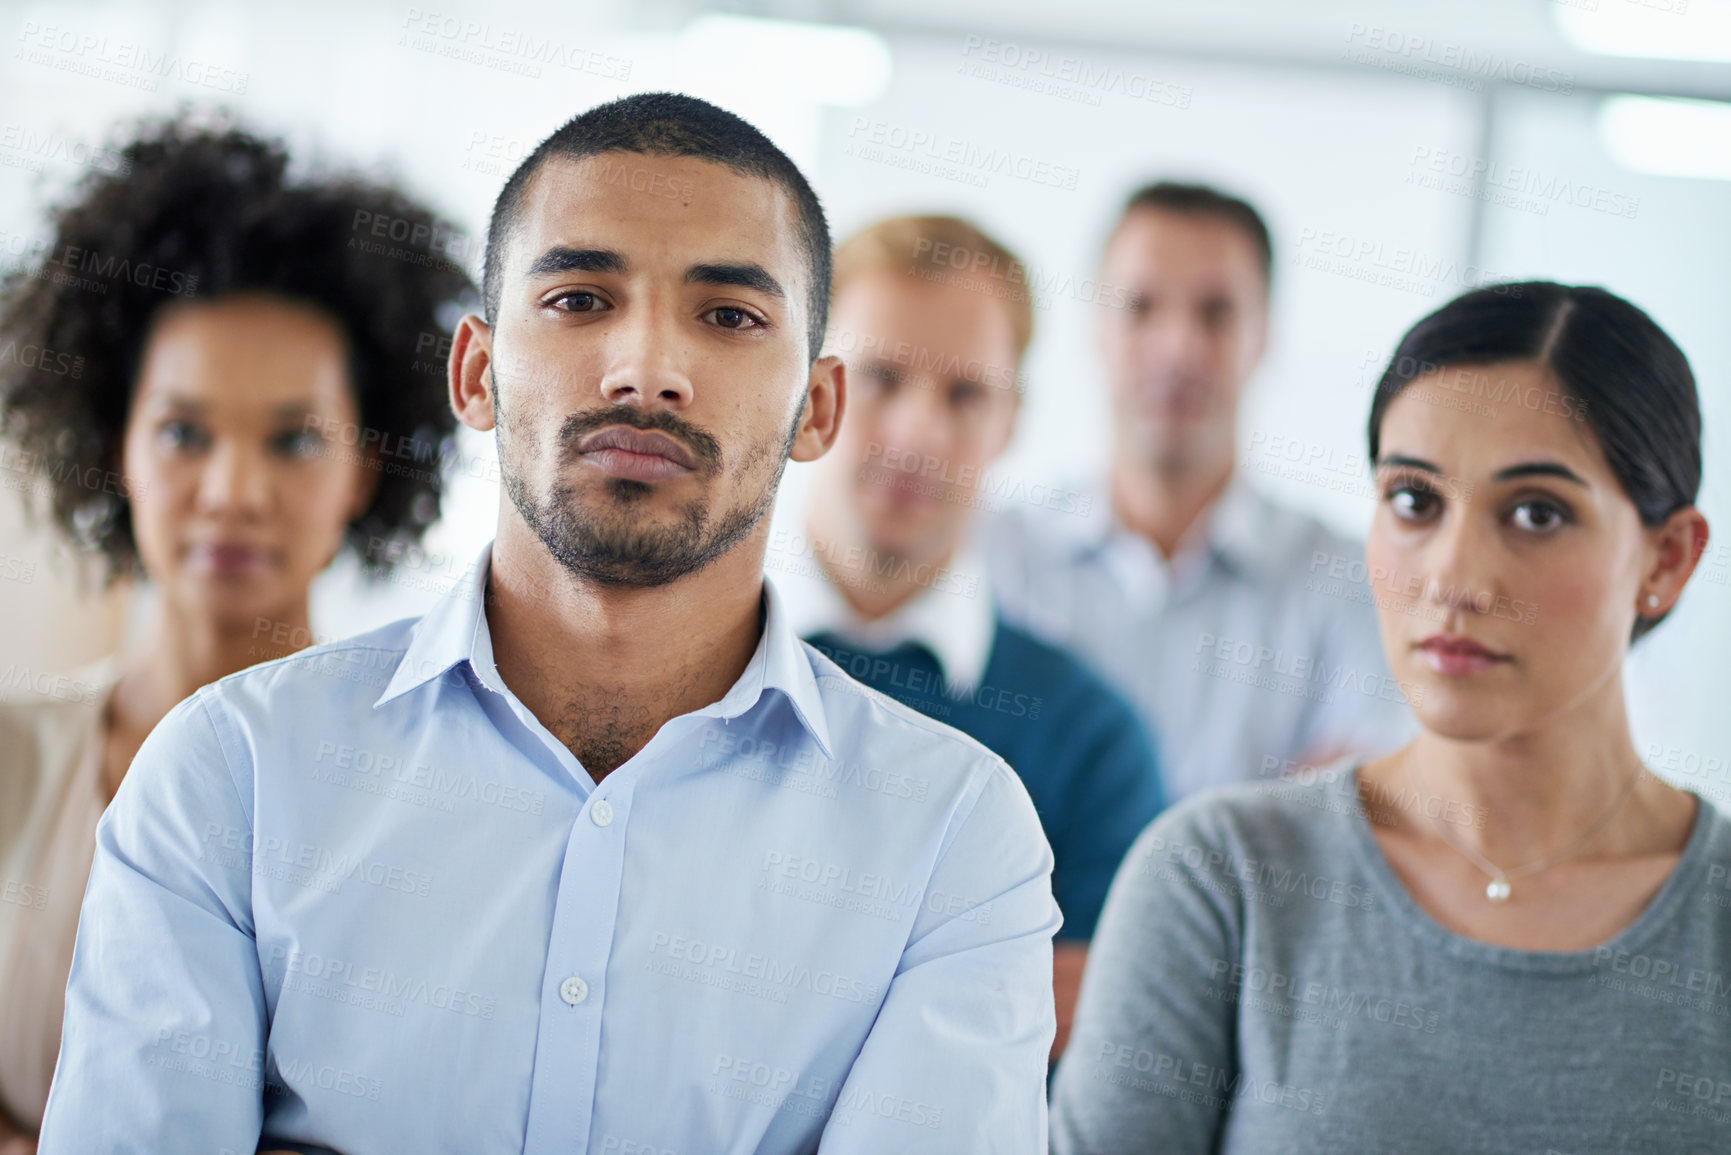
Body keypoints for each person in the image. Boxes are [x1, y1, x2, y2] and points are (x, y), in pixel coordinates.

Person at [39, 93, 1059, 1154]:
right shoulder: (227, 773)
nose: (646, 370)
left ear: (818, 408)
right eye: (579, 299)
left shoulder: (954, 838)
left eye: (729, 316)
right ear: (477, 373)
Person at [1050, 282, 1728, 1152]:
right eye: (1414, 499)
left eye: (1535, 513)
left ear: (1665, 560)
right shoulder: (1222, 880)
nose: (1453, 577)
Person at [0, 116, 470, 1152]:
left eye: (295, 438)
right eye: (183, 431)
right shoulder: (10, 758)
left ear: (367, 469)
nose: (233, 492)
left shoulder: (442, 799)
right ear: (113, 444)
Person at [777, 215, 1164, 1061]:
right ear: (808, 388)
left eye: (964, 395)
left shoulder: (1091, 741)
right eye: (881, 378)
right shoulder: (671, 662)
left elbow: (1094, 1044)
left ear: (1010, 419)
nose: (919, 434)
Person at [984, 182, 1412, 804]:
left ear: (1263, 337)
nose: (1179, 346)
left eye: (1216, 313)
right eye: (1141, 307)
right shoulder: (992, 553)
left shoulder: (1350, 580)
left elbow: (1339, 829)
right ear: (1096, 329)